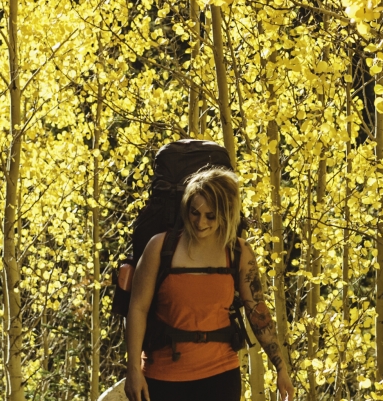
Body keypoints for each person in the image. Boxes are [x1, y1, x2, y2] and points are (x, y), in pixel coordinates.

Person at [125, 167, 295, 401]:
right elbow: (137, 309)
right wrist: (133, 369)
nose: (200, 222)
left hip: (220, 375)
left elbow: (257, 310)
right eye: (194, 213)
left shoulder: (238, 252)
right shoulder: (160, 247)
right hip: (163, 375)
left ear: (225, 214)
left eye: (210, 216)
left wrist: (281, 368)